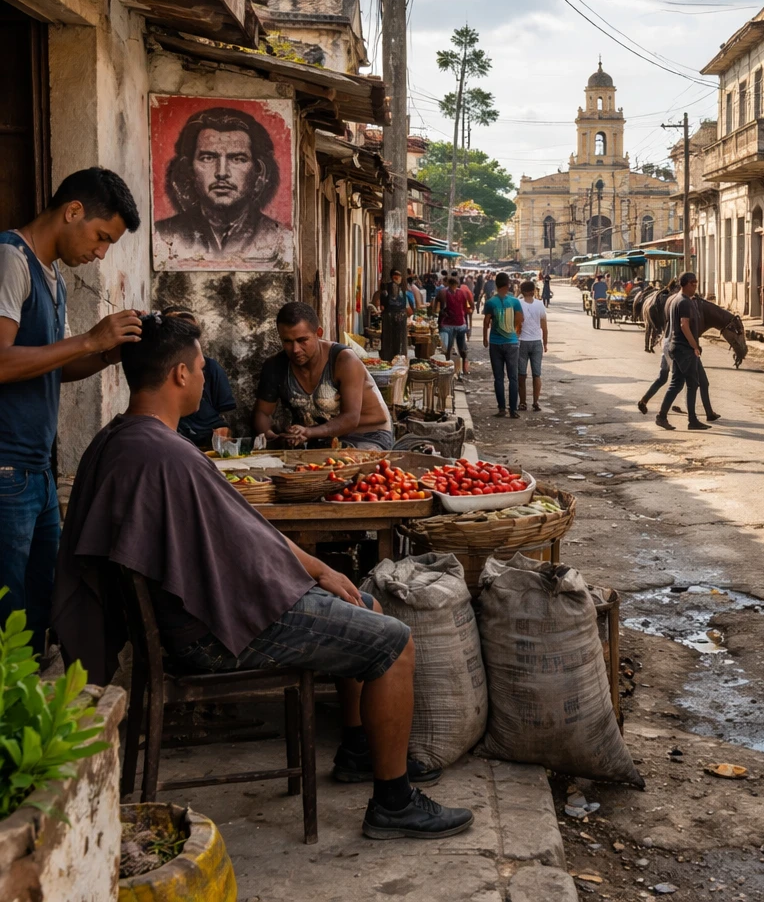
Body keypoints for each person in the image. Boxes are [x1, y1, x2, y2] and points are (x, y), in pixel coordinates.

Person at [52, 313, 474, 840]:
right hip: (210, 635)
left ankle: (360, 750)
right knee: (394, 640)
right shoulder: (169, 456)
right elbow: (250, 548)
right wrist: (313, 575)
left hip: (175, 623)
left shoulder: (114, 441)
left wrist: (319, 570)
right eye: (202, 368)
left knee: (354, 602)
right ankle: (394, 801)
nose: (205, 378)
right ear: (180, 375)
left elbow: (243, 536)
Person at [0, 167, 142, 652]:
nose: (101, 252)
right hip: (6, 469)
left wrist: (106, 353)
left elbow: (49, 366)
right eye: (102, 237)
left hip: (35, 471)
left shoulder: (53, 276)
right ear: (73, 211)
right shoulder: (10, 259)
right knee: (8, 619)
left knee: (37, 616)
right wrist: (88, 338)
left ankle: (35, 722)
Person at [253, 302, 394, 450]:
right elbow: (262, 412)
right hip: (319, 439)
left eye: (302, 340)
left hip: (368, 435)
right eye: (287, 341)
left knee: (343, 465)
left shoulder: (344, 360)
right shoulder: (275, 365)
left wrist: (309, 432)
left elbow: (351, 418)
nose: (295, 349)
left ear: (318, 334)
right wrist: (271, 437)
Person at [156, 107, 286, 264]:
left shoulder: (280, 239)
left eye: (237, 159)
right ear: (190, 170)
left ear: (259, 172)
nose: (222, 172)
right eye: (208, 158)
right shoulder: (164, 233)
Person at [161, 307, 237, 449]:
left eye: (192, 335)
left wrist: (222, 432)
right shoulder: (159, 375)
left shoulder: (210, 368)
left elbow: (223, 419)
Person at [653, 272, 710, 432]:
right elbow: (684, 325)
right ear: (685, 284)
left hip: (675, 347)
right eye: (693, 283)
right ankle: (692, 420)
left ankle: (661, 416)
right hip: (684, 349)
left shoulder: (676, 300)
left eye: (696, 283)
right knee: (693, 383)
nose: (695, 286)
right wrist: (695, 346)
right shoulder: (684, 302)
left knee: (677, 383)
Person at [482, 273, 523, 418]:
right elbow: (520, 320)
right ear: (508, 284)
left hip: (495, 343)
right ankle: (513, 410)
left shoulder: (490, 302)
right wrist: (514, 332)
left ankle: (501, 409)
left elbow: (486, 322)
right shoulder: (515, 302)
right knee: (513, 377)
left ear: (496, 285)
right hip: (511, 343)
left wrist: (485, 339)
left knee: (498, 378)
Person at [517, 280, 548, 412]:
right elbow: (544, 327)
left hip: (522, 342)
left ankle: (523, 403)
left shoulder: (518, 304)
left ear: (522, 291)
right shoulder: (540, 305)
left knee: (521, 375)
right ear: (533, 291)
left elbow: (516, 324)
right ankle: (535, 402)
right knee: (537, 374)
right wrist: (545, 343)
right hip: (536, 342)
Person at [435, 277, 470, 377]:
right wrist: (467, 325)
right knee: (459, 347)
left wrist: (440, 316)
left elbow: (436, 308)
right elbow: (465, 310)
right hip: (459, 324)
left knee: (448, 348)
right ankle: (461, 368)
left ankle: (449, 370)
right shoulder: (462, 293)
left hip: (449, 324)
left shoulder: (443, 292)